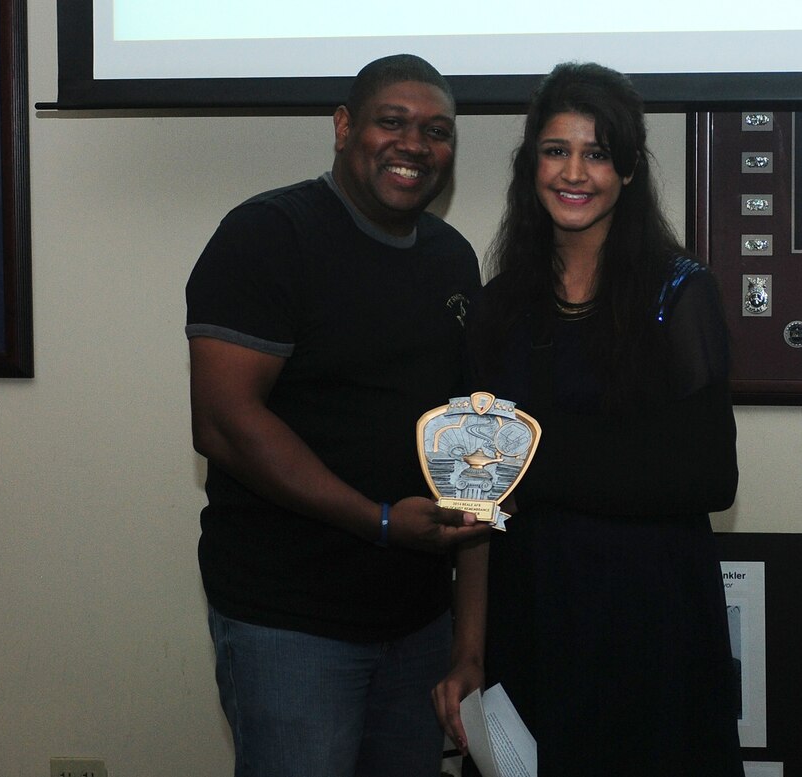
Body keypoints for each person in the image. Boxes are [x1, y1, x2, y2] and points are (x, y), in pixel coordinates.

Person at [433, 62, 744, 775]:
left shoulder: (680, 293)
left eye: (597, 153)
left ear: (629, 170)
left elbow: (709, 473)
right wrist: (469, 650)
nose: (574, 172)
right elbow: (478, 502)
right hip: (532, 618)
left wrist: (532, 462)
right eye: (555, 150)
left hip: (652, 620)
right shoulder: (496, 308)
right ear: (530, 165)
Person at [185, 54, 490, 777]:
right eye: (392, 121)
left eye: (437, 131)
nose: (415, 144)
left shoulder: (452, 259)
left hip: (418, 623)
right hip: (290, 625)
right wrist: (379, 519)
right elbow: (225, 423)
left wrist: (468, 641)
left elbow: (470, 445)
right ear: (344, 126)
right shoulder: (268, 235)